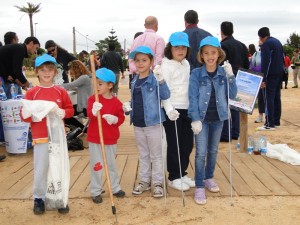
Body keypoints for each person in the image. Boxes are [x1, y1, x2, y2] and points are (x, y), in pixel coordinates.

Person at [20, 54, 74, 214]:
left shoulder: (60, 91)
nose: (46, 72)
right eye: (42, 69)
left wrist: (63, 112)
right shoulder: (32, 93)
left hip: (57, 138)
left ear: (55, 72)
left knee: (58, 166)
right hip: (40, 137)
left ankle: (59, 197)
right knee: (41, 168)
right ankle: (39, 198)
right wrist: (34, 112)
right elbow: (25, 116)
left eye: (50, 69)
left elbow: (70, 110)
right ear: (36, 72)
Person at [188, 36, 237, 205]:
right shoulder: (195, 73)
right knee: (201, 153)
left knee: (213, 150)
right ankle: (199, 185)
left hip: (219, 118)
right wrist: (194, 118)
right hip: (201, 120)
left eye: (213, 52)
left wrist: (231, 76)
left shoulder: (224, 72)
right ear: (201, 55)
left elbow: (233, 94)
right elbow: (192, 98)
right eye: (206, 53)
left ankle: (209, 177)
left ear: (219, 54)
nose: (210, 56)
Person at [125, 46, 171, 198]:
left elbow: (165, 95)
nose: (140, 63)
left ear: (151, 62)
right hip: (138, 124)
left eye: (144, 60)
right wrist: (128, 107)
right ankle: (144, 181)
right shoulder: (134, 81)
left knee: (156, 155)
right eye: (137, 60)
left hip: (153, 123)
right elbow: (135, 100)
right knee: (143, 154)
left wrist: (161, 80)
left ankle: (157, 183)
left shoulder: (155, 78)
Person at [157, 32, 194, 191]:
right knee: (175, 144)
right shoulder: (165, 66)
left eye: (183, 47)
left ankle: (181, 172)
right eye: (177, 47)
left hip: (187, 109)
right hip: (172, 109)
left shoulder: (186, 64)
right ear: (170, 48)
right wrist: (169, 109)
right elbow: (163, 91)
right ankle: (173, 176)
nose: (180, 50)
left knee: (187, 143)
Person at [86, 68, 125, 204]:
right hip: (95, 138)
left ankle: (114, 187)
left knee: (112, 164)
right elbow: (90, 116)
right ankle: (96, 190)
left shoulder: (116, 103)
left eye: (100, 84)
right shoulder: (93, 99)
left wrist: (114, 120)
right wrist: (93, 110)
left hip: (110, 139)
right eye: (95, 83)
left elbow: (121, 119)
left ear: (110, 85)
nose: (97, 86)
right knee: (97, 165)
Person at [219, 21, 249, 141]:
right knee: (236, 105)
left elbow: (221, 63)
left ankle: (226, 134)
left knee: (225, 104)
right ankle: (236, 132)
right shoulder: (241, 45)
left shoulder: (222, 46)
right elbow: (247, 63)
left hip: (227, 77)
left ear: (221, 32)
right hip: (241, 77)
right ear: (233, 31)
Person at [257, 27, 284, 130]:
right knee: (277, 97)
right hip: (279, 74)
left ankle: (269, 123)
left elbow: (265, 63)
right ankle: (276, 121)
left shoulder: (266, 45)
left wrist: (264, 79)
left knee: (269, 98)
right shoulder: (277, 42)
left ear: (261, 37)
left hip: (270, 75)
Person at [62, 60, 92, 132]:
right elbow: (81, 87)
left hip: (85, 108)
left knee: (65, 114)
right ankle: (81, 129)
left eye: (71, 69)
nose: (70, 72)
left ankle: (83, 129)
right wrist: (76, 88)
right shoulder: (88, 77)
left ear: (75, 69)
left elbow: (69, 85)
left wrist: (54, 87)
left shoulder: (83, 77)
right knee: (68, 110)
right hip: (88, 105)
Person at [250, 41, 264, 123]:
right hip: (258, 78)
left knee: (269, 98)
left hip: (269, 78)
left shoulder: (271, 54)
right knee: (260, 98)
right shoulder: (256, 54)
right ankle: (260, 115)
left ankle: (270, 116)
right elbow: (252, 66)